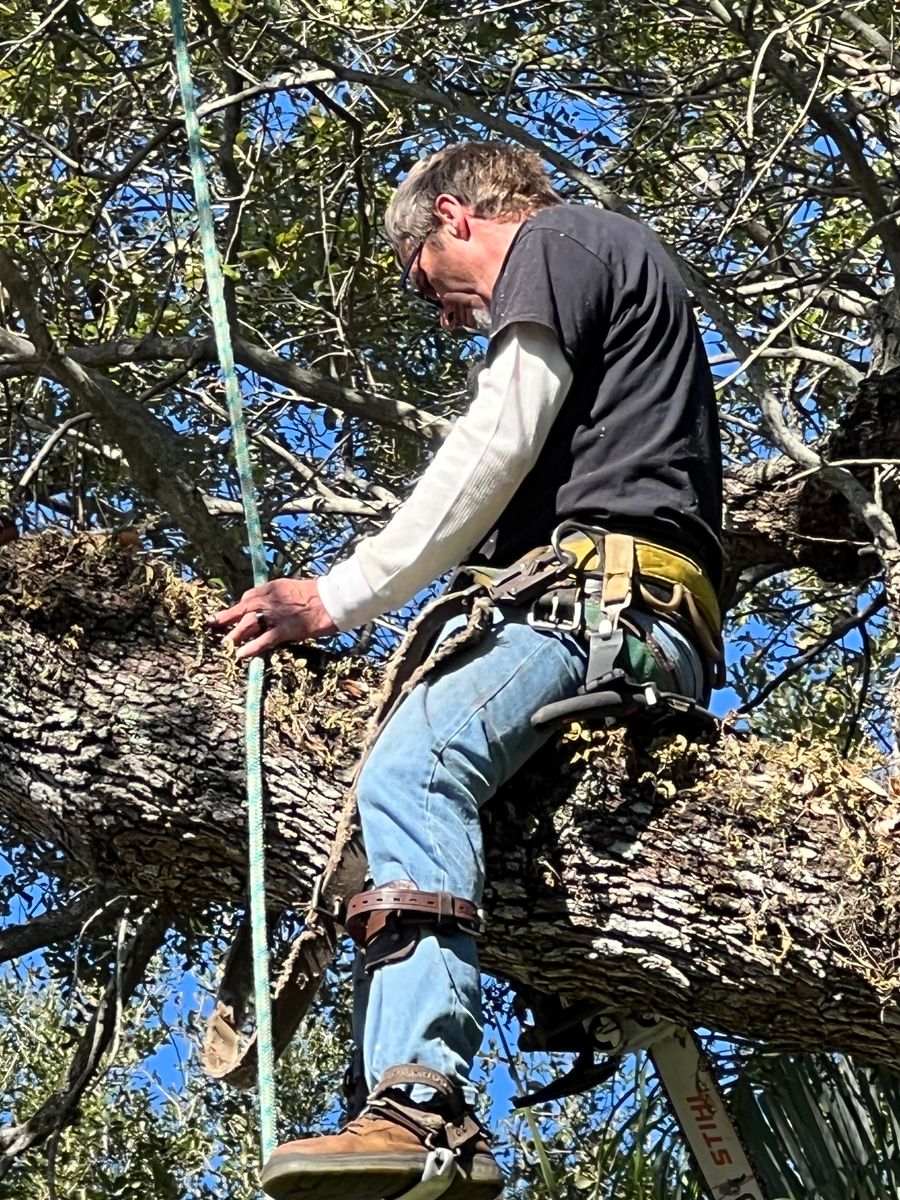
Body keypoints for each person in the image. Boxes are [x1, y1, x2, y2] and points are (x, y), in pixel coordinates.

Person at [210, 141, 723, 1200]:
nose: (445, 318)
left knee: (414, 769)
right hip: (637, 628)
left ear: (456, 215)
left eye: (426, 282)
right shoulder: (617, 288)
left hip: (606, 611)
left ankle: (418, 1103)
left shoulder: (557, 239)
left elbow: (494, 441)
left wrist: (332, 596)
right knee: (460, 832)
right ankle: (411, 1117)